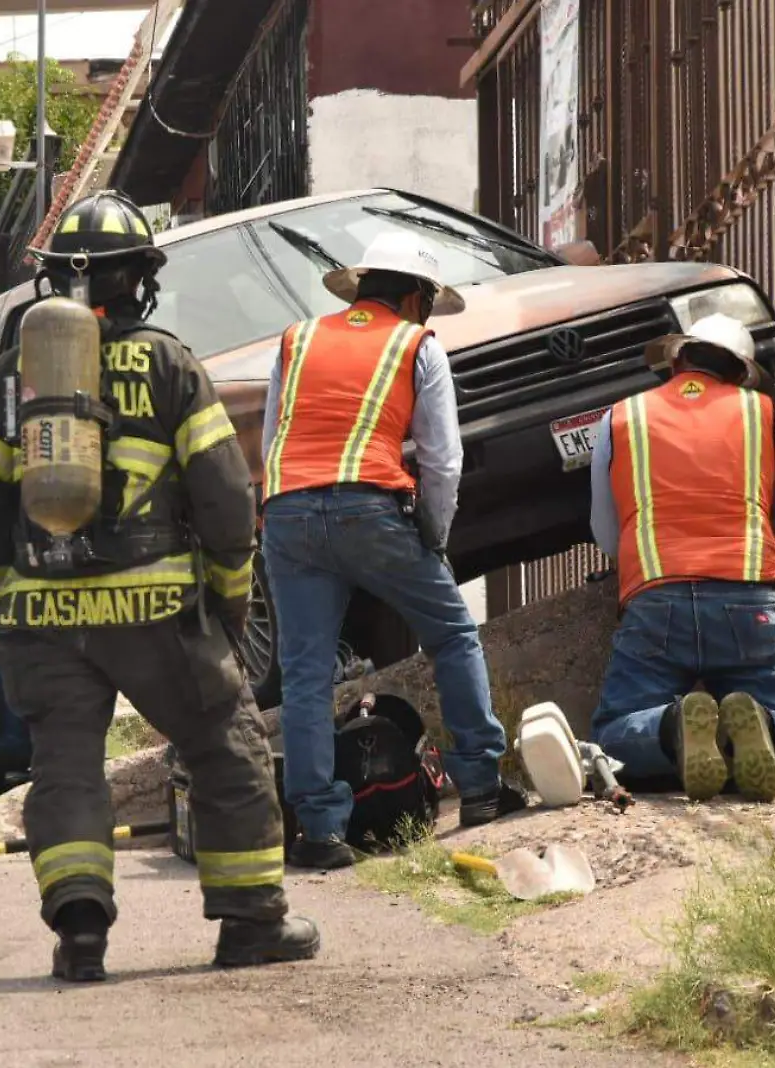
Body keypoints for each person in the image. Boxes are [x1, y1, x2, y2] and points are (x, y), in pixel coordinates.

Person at [0, 191, 319, 982]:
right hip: (156, 611)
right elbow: (224, 497)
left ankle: (80, 931)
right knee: (225, 746)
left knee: (66, 766)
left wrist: (1, 595)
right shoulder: (170, 363)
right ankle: (252, 920)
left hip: (42, 617)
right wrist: (226, 599)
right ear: (140, 277)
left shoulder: (15, 379)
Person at [260, 231, 522, 871]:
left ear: (362, 285)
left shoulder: (298, 340)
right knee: (454, 635)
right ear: (414, 298)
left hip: (287, 515)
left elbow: (272, 439)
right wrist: (432, 537)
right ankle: (482, 788)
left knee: (305, 675)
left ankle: (319, 832)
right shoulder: (415, 345)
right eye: (428, 304)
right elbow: (443, 461)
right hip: (369, 511)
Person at [587, 312, 775, 802]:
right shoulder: (763, 413)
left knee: (611, 738)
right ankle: (759, 728)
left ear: (677, 360)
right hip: (747, 599)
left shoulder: (621, 416)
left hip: (655, 599)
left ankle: (674, 727)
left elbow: (607, 534)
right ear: (739, 373)